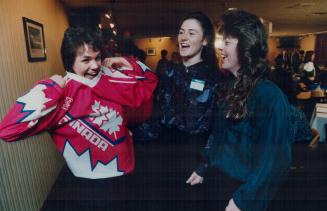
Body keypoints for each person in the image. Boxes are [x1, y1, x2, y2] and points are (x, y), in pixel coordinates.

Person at [0, 26, 157, 180]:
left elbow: (150, 81)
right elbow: (8, 130)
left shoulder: (108, 75)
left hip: (127, 168)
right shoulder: (61, 93)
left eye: (97, 57)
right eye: (86, 60)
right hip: (88, 181)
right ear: (70, 61)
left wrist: (124, 61)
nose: (95, 66)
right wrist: (50, 87)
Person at [186, 10, 292, 211]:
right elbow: (219, 138)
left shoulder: (269, 96)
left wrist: (243, 201)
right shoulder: (231, 86)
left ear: (245, 45)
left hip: (241, 195)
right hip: (218, 187)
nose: (220, 48)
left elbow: (276, 162)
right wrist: (203, 168)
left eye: (226, 42)